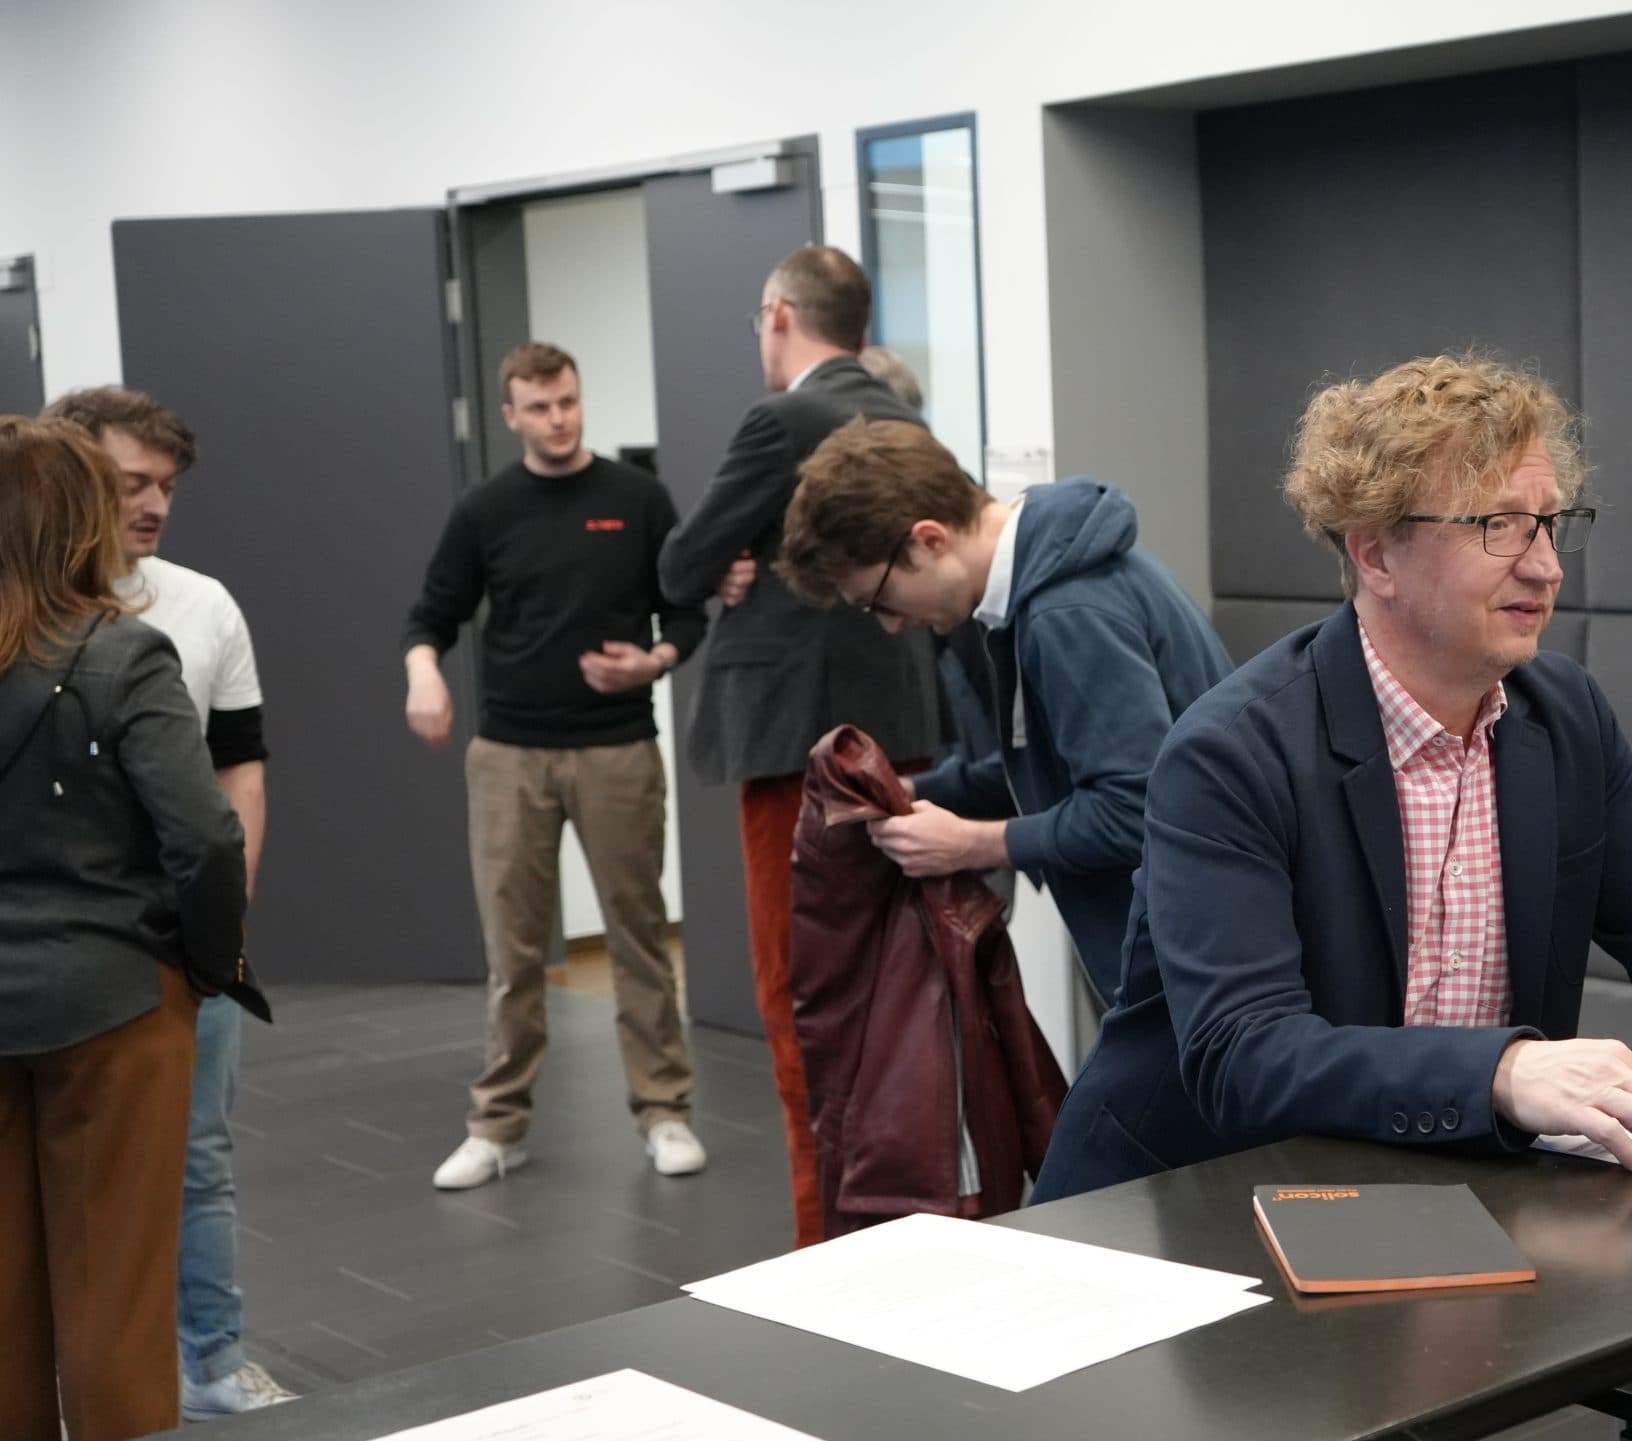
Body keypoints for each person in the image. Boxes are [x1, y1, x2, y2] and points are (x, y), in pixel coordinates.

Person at [1033, 355, 1632, 1203]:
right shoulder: (1232, 752)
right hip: (1191, 1214)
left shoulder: (1563, 716)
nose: (1546, 565)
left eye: (1551, 524)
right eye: (1498, 526)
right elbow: (1247, 1053)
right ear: (1375, 551)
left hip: (1432, 1193)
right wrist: (1503, 1073)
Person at [657, 245, 941, 1248]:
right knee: (896, 1000)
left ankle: (823, 1246)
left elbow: (682, 560)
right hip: (907, 745)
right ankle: (908, 1221)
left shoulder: (780, 421)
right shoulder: (909, 417)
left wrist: (730, 563)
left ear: (779, 315)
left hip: (797, 752)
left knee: (799, 998)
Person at [775, 419, 1233, 1000]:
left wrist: (973, 842)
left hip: (1192, 954)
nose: (891, 625)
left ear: (929, 539)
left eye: (880, 600)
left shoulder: (1066, 612)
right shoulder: (1047, 585)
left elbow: (1137, 807)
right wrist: (922, 791)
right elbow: (1052, 764)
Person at [41, 387, 291, 1417]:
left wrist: (223, 920)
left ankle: (215, 1358)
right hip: (64, 948)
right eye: (130, 481)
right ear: (73, 475)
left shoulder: (204, 607)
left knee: (201, 1156)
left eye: (167, 486)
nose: (152, 504)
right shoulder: (28, 610)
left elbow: (241, 769)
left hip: (183, 933)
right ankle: (75, 1377)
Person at [404, 342, 707, 1189]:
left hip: (616, 747)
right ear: (511, 416)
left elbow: (686, 613)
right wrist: (423, 673)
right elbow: (431, 615)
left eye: (568, 401)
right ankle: (498, 1124)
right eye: (539, 408)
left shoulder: (637, 498)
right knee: (513, 949)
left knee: (639, 935)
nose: (558, 418)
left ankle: (664, 1109)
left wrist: (650, 662)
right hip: (509, 753)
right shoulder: (485, 509)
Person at [0, 417, 248, 1441]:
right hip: (112, 1007)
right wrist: (201, 962)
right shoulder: (123, 653)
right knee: (115, 1299)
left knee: (4, 1297)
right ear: (75, 521)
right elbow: (206, 838)